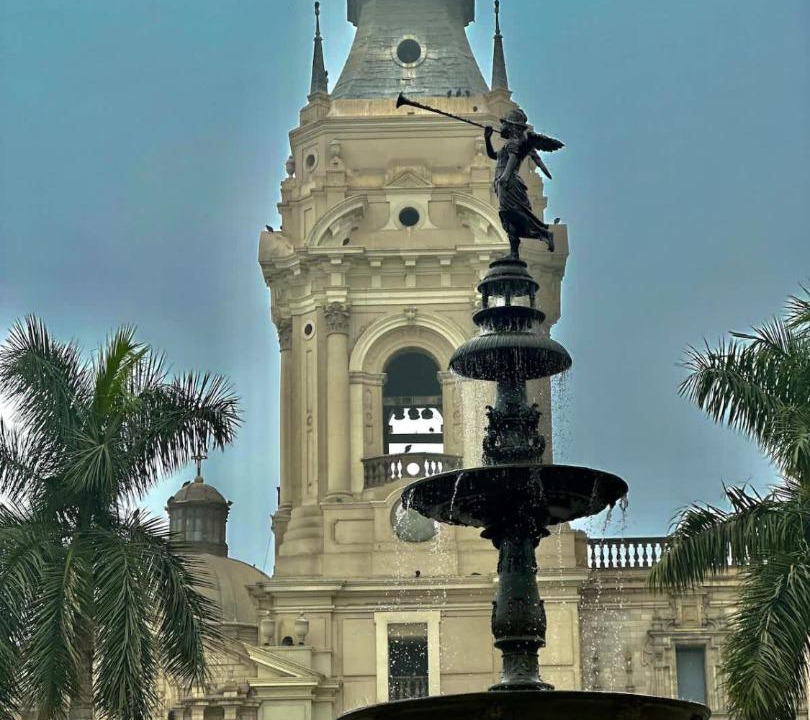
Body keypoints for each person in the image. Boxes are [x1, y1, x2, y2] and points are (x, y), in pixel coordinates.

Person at [484, 108, 563, 259]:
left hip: (508, 181)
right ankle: (516, 251)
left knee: (510, 212)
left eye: (504, 124)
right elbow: (493, 155)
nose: (501, 127)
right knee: (507, 217)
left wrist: (505, 177)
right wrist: (487, 138)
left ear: (511, 127)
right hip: (503, 180)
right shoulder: (508, 144)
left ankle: (543, 233)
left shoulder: (513, 143)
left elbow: (513, 159)